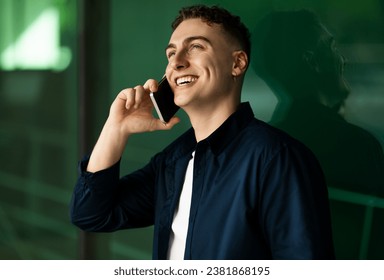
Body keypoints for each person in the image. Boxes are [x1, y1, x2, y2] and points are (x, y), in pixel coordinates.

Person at [70, 5, 334, 260]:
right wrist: (117, 128)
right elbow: (91, 214)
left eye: (196, 47)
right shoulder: (173, 162)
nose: (177, 63)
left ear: (237, 63)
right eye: (171, 54)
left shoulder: (277, 159)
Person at [251, 9, 384, 259]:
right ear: (313, 60)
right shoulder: (359, 147)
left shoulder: (257, 151)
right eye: (332, 48)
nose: (344, 60)